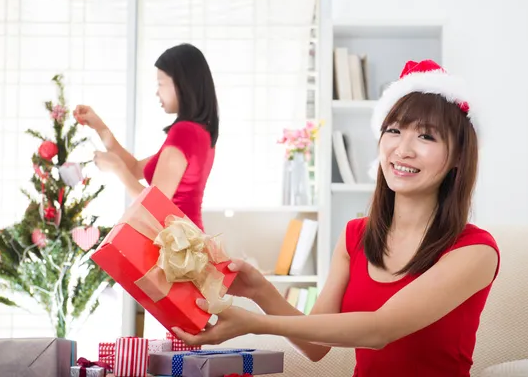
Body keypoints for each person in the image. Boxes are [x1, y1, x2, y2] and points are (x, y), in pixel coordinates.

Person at [172, 60, 501, 377]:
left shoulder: (475, 251)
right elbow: (315, 346)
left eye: (426, 136)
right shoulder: (355, 237)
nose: (402, 149)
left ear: (459, 155)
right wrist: (260, 291)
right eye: (394, 130)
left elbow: (379, 330)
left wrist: (256, 324)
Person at [73, 43, 219, 231]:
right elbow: (134, 168)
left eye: (160, 84)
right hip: (185, 244)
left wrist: (117, 169)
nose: (157, 92)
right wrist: (100, 127)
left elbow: (154, 207)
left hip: (176, 248)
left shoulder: (184, 133)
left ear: (180, 84)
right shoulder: (200, 132)